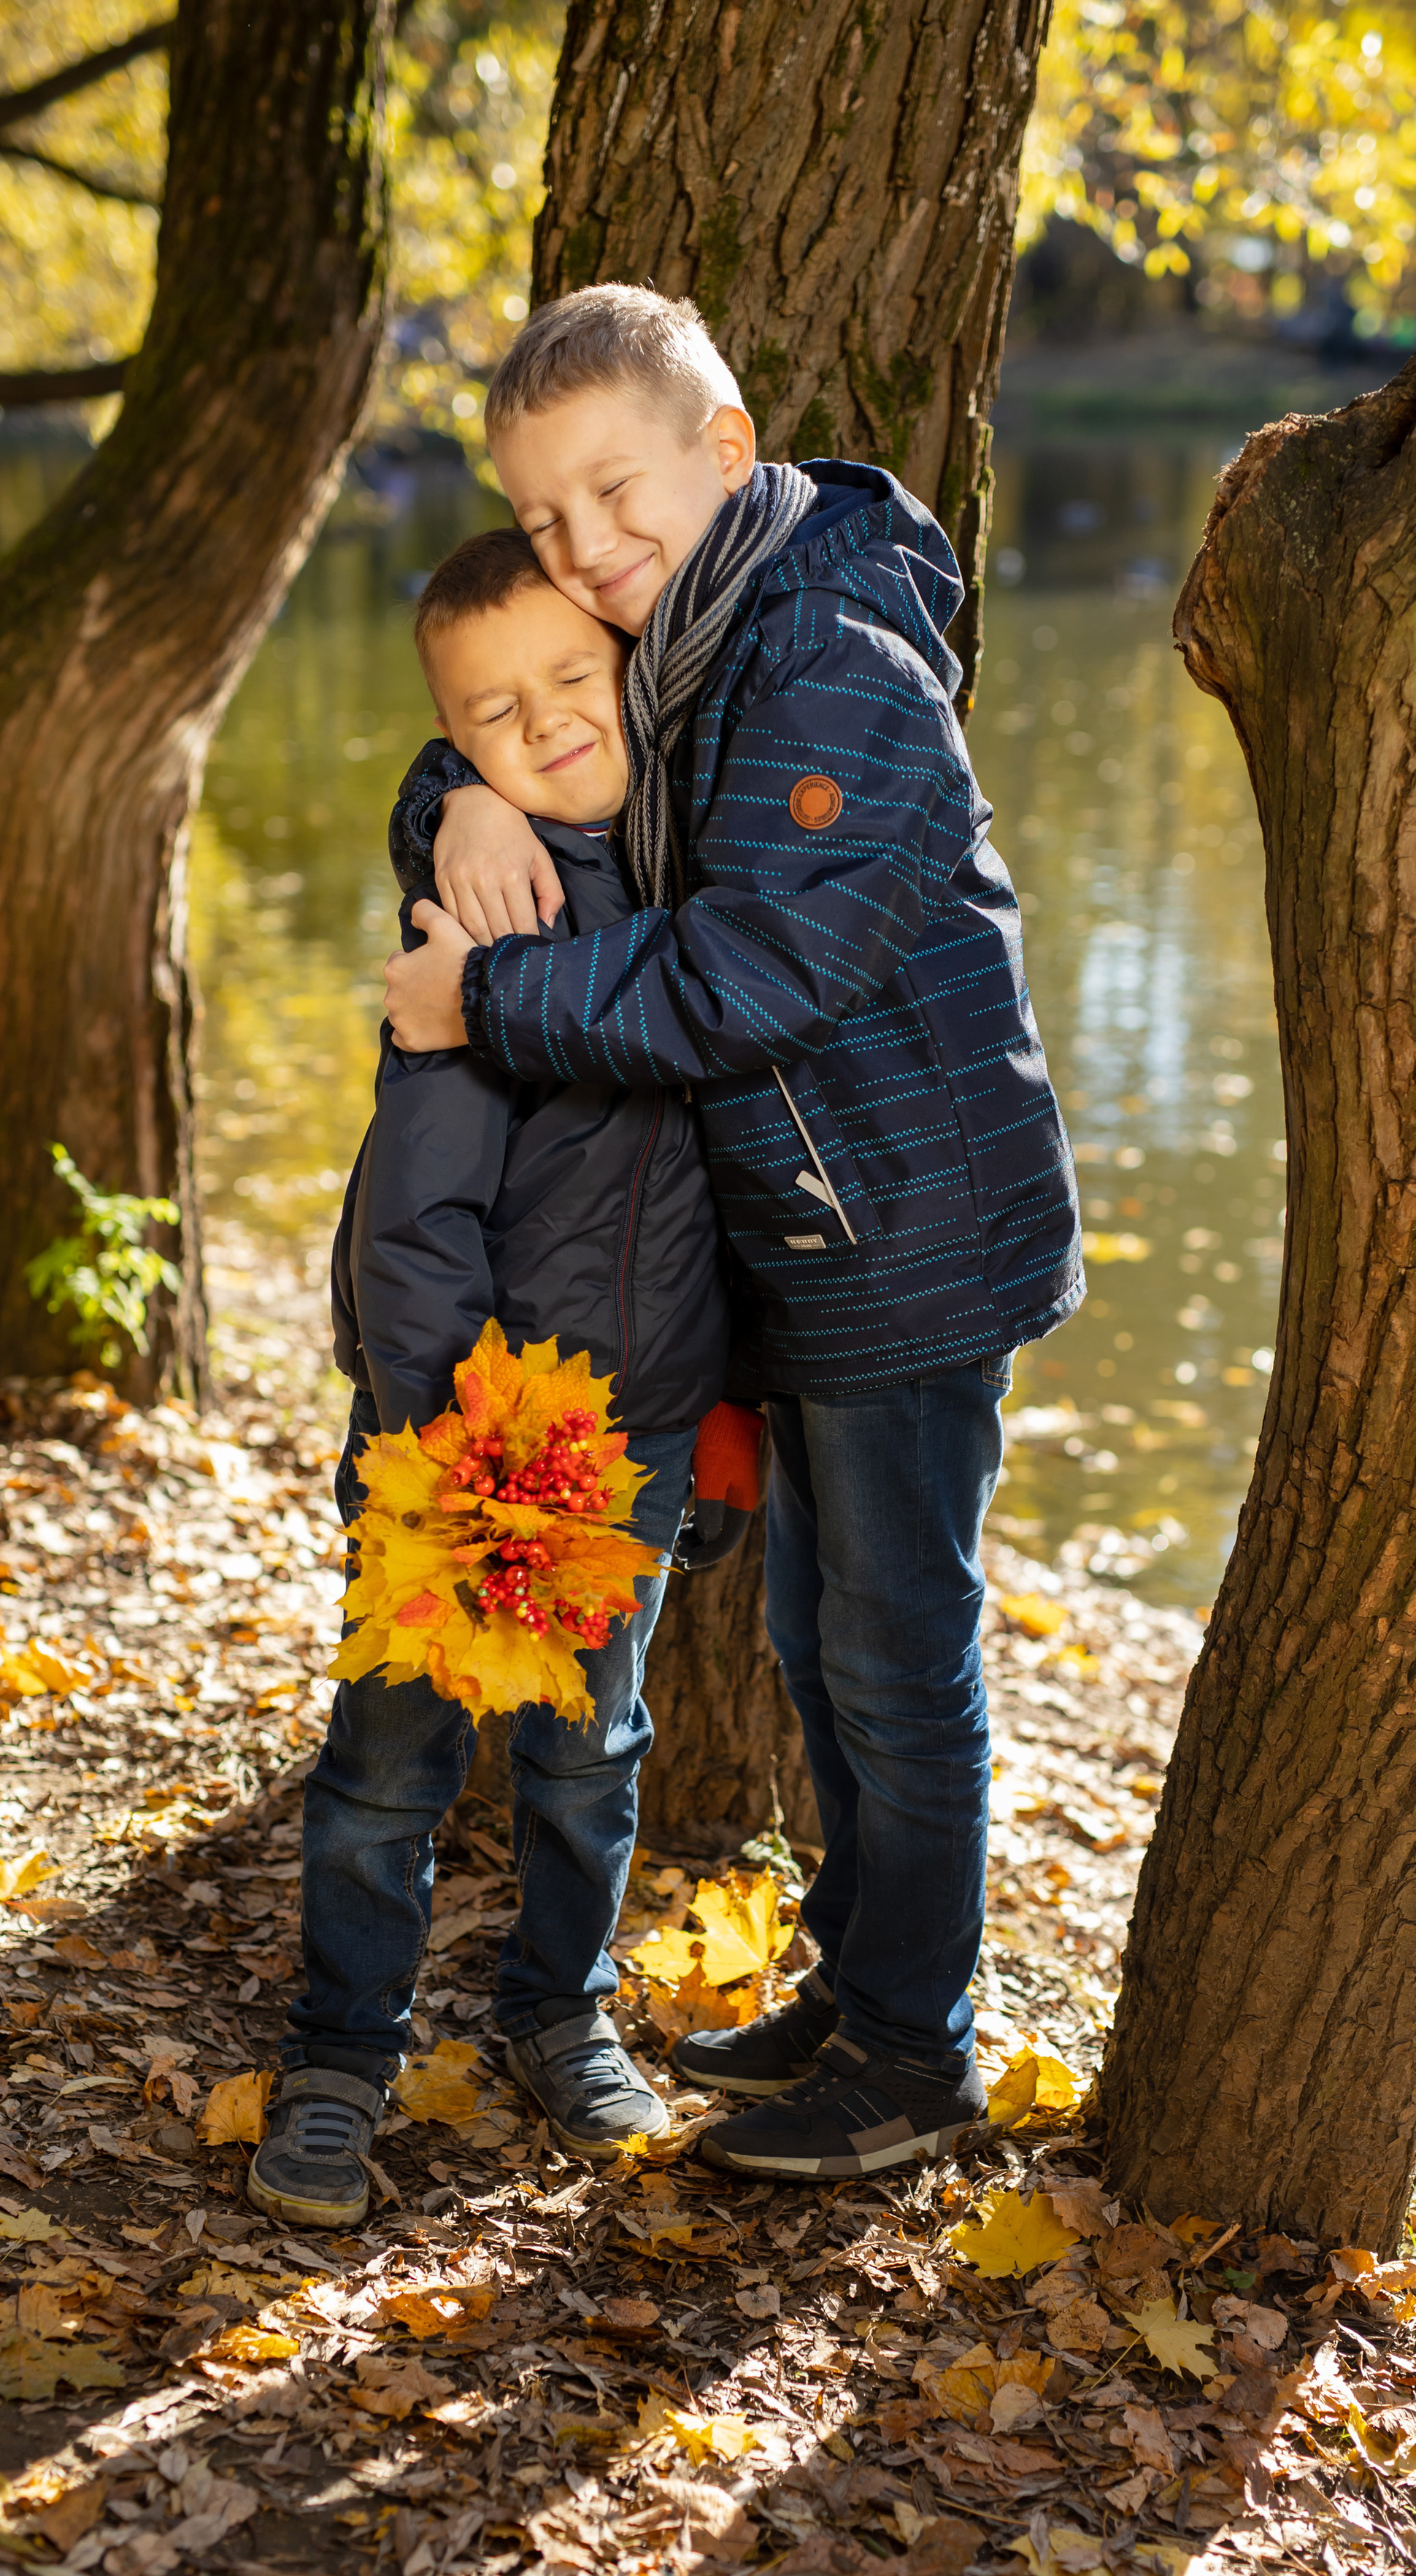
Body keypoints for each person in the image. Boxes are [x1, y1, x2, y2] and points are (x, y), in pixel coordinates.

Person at [384, 285, 1083, 2185]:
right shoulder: (685, 627)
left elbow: (748, 973)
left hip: (907, 1239)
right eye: (542, 522)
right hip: (805, 1240)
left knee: (898, 1655)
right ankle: (863, 1995)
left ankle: (917, 2054)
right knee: (816, 1633)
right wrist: (452, 801)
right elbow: (540, 755)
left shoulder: (828, 646)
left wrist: (489, 1007)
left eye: (614, 494)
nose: (582, 550)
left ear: (724, 447)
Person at [249, 525, 749, 2229]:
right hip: (456, 1429)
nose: (538, 724)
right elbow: (417, 1207)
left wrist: (712, 1429)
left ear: (636, 669)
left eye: (570, 680)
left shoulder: (719, 881)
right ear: (448, 749)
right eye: (486, 715)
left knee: (591, 1751)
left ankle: (556, 2009)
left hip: (639, 1432)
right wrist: (443, 1437)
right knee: (390, 1756)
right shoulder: (481, 913)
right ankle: (339, 2053)